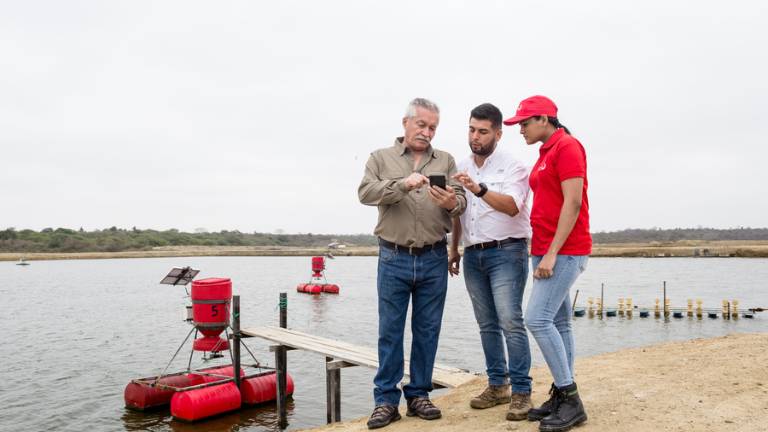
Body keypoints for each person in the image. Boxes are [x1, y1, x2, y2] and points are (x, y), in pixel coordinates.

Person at [358, 98, 466, 429]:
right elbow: (365, 193)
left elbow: (461, 201)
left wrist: (452, 201)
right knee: (390, 332)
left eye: (432, 127)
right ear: (405, 123)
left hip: (434, 257)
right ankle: (386, 402)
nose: (427, 132)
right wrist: (403, 185)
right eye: (421, 124)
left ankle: (419, 395)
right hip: (393, 257)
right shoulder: (380, 158)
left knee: (427, 331)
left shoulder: (445, 160)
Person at [503, 95, 591, 432]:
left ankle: (571, 399)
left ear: (544, 119)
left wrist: (553, 252)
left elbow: (573, 202)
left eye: (524, 123)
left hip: (565, 249)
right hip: (543, 247)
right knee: (561, 322)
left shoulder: (568, 146)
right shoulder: (546, 152)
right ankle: (560, 392)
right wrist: (542, 250)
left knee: (536, 319)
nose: (520, 129)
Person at [448, 103, 533, 421]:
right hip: (473, 254)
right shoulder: (460, 165)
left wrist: (479, 189)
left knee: (511, 320)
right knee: (486, 325)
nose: (475, 136)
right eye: (471, 129)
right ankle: (498, 385)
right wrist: (453, 248)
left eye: (483, 131)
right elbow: (458, 211)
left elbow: (512, 206)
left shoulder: (514, 166)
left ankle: (522, 390)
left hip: (507, 252)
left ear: (498, 133)